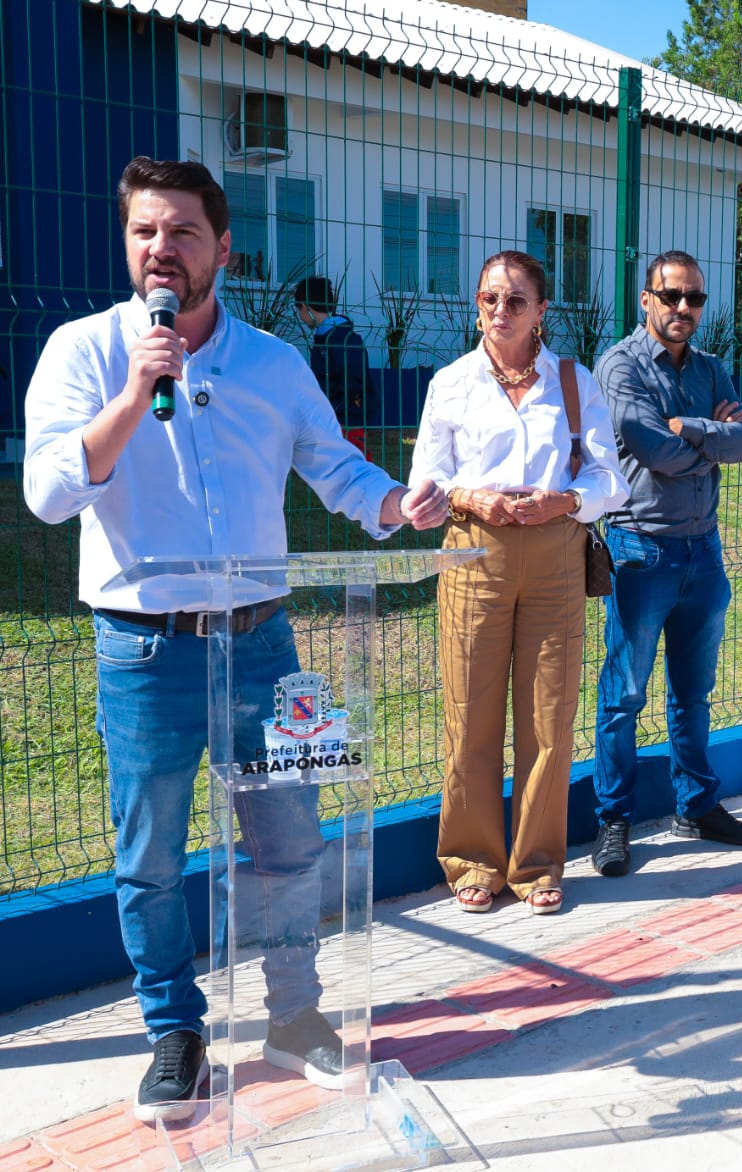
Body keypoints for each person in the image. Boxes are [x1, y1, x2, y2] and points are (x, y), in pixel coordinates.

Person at [22, 157, 448, 1123]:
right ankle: (175, 1034)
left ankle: (294, 1016)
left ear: (223, 247)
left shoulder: (274, 364)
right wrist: (135, 394)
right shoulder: (83, 352)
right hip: (145, 652)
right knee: (151, 858)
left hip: (264, 645)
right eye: (144, 231)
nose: (160, 249)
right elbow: (47, 494)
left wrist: (395, 503)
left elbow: (336, 468)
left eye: (181, 232)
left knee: (291, 840)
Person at [410, 250, 627, 915]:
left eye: (515, 301)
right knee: (470, 710)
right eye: (488, 299)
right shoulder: (451, 382)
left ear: (541, 311)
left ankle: (536, 864)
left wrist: (566, 501)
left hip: (556, 552)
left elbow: (609, 478)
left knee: (548, 715)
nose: (499, 311)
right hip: (474, 552)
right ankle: (473, 860)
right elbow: (427, 476)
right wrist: (468, 496)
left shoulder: (573, 382)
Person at [589, 250, 742, 879]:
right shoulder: (619, 365)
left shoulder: (711, 368)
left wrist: (690, 427)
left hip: (703, 551)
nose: (683, 308)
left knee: (694, 693)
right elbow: (653, 450)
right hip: (641, 550)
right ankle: (613, 820)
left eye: (694, 298)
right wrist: (712, 439)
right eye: (671, 296)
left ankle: (697, 806)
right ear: (646, 299)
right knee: (624, 695)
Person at [294, 274, 372, 439]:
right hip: (330, 419)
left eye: (299, 309)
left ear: (305, 307)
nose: (300, 316)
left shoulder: (342, 339)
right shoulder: (325, 338)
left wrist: (340, 412)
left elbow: (354, 382)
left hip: (345, 422)